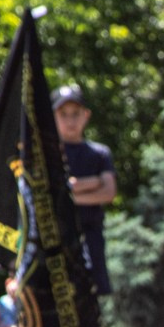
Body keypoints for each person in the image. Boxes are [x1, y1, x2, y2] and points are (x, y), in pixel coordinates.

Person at [53, 85, 116, 298]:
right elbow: (50, 195)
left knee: (91, 293)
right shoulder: (48, 154)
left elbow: (108, 192)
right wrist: (94, 183)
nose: (70, 121)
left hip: (90, 235)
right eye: (63, 114)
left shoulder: (99, 153)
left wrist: (73, 191)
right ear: (53, 117)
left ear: (86, 115)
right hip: (57, 236)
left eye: (75, 114)